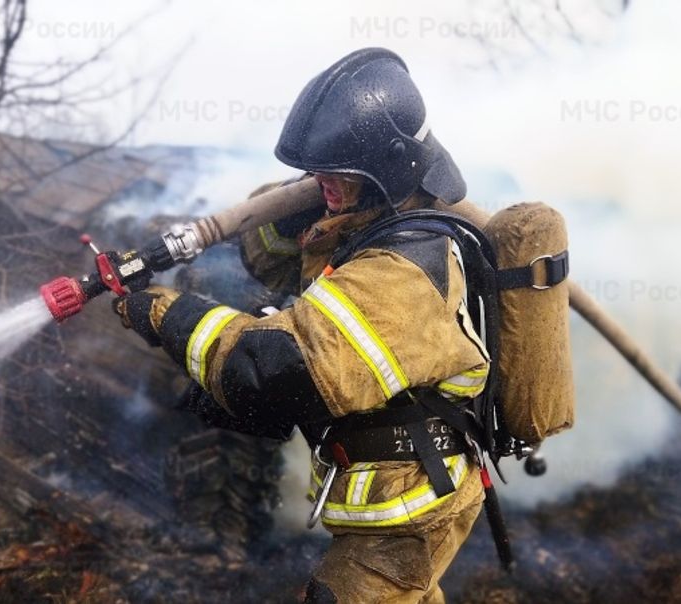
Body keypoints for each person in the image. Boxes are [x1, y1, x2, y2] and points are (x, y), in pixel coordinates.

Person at [115, 47, 487, 603]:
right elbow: (274, 263)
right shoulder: (371, 226)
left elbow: (270, 374)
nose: (320, 184)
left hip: (410, 513)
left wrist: (164, 312)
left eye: (337, 174)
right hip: (392, 497)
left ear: (385, 168)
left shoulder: (403, 272)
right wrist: (285, 219)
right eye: (316, 173)